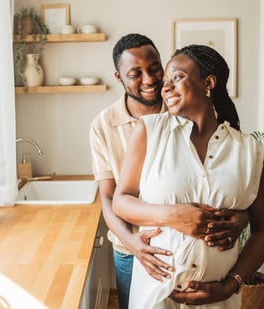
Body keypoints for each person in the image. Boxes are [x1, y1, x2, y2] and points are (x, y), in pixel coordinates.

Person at [89, 34, 249, 309]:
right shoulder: (104, 126)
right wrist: (133, 242)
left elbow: (222, 179)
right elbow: (109, 196)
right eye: (135, 73)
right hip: (132, 248)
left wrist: (240, 219)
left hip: (199, 251)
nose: (150, 80)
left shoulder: (183, 106)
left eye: (154, 69)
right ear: (119, 77)